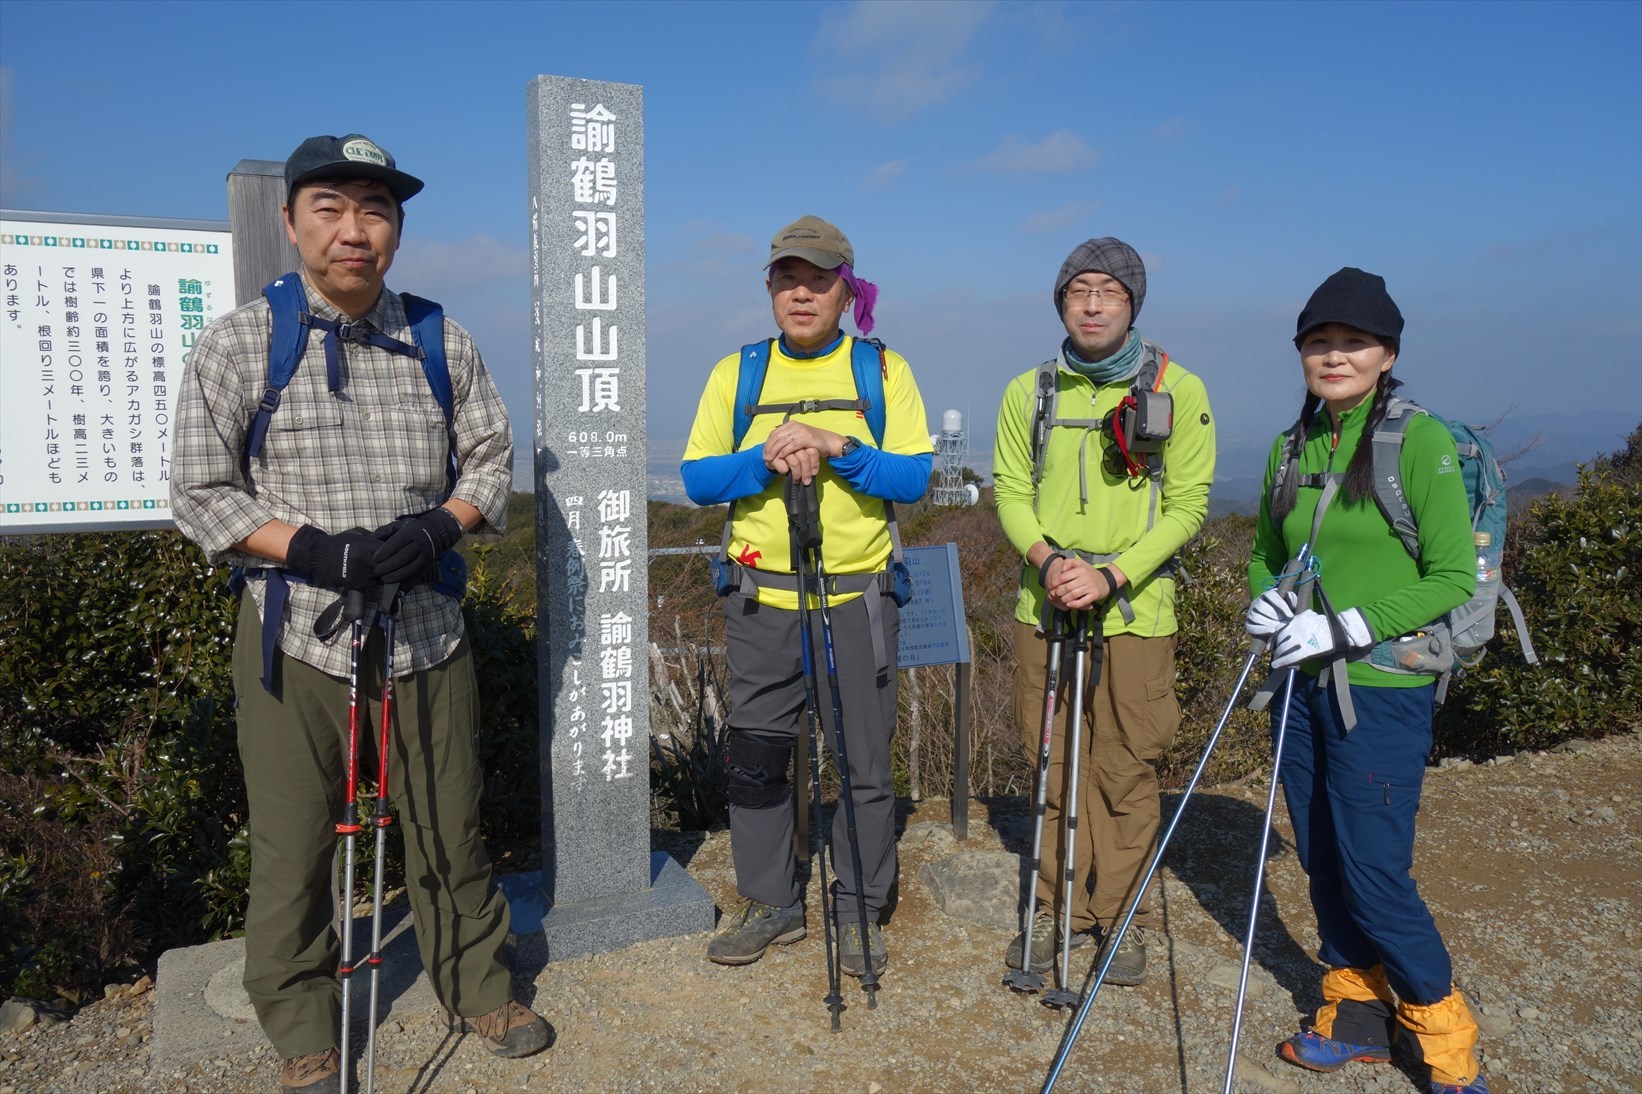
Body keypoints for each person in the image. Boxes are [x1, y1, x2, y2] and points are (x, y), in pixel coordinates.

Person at [172, 133, 549, 1092]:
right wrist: (309, 549)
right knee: (294, 841)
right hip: (293, 633)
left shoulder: (439, 339)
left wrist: (438, 528)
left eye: (374, 211)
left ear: (398, 230)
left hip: (426, 626)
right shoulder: (239, 342)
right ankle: (301, 1021)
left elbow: (492, 460)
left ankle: (478, 985)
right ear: (291, 222)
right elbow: (198, 488)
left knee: (446, 822)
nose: (354, 231)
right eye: (331, 208)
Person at [1244, 267, 1488, 1094]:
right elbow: (1269, 552)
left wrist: (1350, 624)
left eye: (1354, 342)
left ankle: (1446, 1041)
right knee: (1321, 856)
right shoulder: (1292, 444)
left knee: (1376, 869)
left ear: (1387, 353)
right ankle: (1355, 1016)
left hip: (1382, 690)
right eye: (1320, 342)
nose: (1335, 355)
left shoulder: (1417, 441)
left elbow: (1453, 574)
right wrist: (1266, 603)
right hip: (1302, 689)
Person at [681, 215, 932, 978]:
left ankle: (859, 907)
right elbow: (698, 480)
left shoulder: (882, 373)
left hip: (858, 598)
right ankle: (772, 900)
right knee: (757, 759)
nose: (801, 292)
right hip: (761, 599)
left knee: (862, 759)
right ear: (768, 286)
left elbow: (914, 477)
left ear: (846, 290)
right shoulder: (738, 373)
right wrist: (765, 457)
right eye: (787, 277)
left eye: (818, 279)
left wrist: (835, 447)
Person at [993, 237, 1215, 985]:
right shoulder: (1032, 392)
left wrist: (1112, 575)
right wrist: (1053, 564)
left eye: (1110, 292)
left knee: (1126, 765)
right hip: (1045, 605)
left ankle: (1122, 916)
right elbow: (1009, 493)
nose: (1092, 304)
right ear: (1061, 302)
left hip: (1137, 612)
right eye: (1079, 290)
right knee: (1049, 760)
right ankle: (1055, 908)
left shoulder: (1179, 390)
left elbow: (1187, 508)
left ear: (1133, 305)